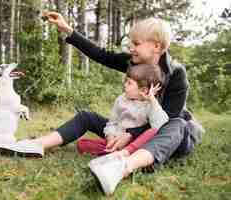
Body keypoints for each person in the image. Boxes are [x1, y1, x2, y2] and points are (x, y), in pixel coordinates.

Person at [31, 12, 205, 195]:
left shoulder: (177, 74)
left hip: (168, 135)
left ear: (156, 46)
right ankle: (38, 144)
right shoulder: (134, 63)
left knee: (176, 123)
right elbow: (102, 55)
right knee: (86, 117)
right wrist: (67, 29)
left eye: (136, 44)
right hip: (133, 130)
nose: (131, 48)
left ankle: (121, 166)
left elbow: (165, 121)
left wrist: (130, 135)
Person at [76, 63, 169, 157]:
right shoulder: (121, 100)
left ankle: (122, 153)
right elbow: (112, 122)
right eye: (126, 81)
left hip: (136, 143)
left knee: (151, 133)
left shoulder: (150, 105)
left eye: (129, 83)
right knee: (82, 143)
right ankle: (112, 152)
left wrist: (152, 100)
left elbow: (160, 125)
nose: (125, 85)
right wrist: (110, 138)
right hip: (117, 139)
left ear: (144, 90)